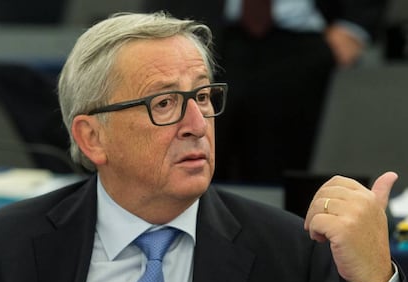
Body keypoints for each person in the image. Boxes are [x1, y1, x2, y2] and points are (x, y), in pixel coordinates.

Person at [0, 12, 406, 282]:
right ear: (92, 137)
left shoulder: (292, 255)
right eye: (165, 102)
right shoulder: (9, 245)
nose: (197, 124)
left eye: (204, 97)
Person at [144, 0, 387, 184]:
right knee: (197, 156)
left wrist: (354, 28)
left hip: (305, 45)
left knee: (286, 171)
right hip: (206, 32)